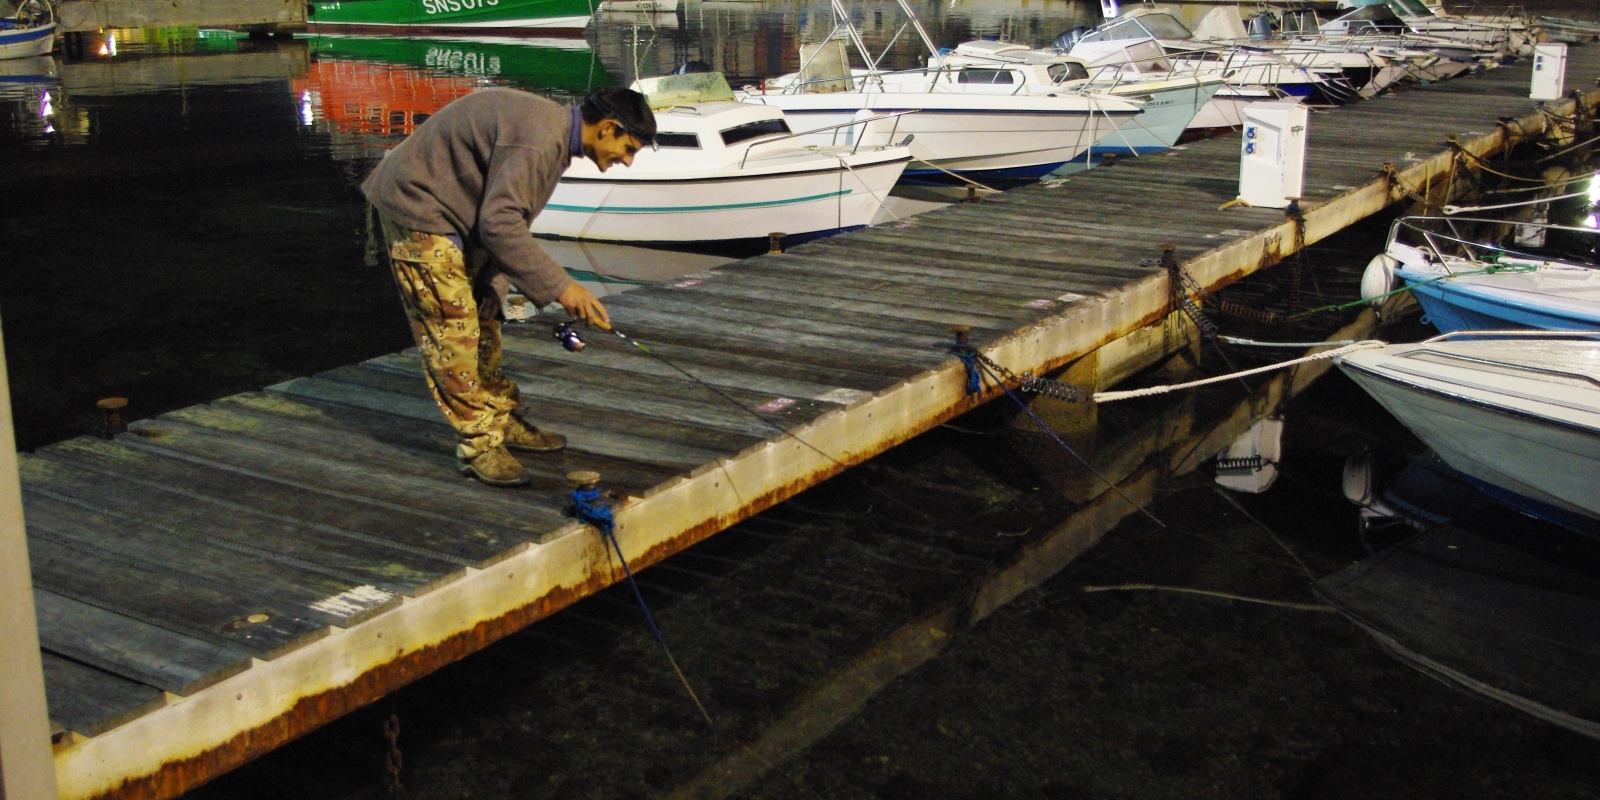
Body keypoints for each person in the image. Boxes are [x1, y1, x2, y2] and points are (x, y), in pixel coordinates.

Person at [363, 87, 656, 487]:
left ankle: (499, 418)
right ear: (607, 128)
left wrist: (494, 288)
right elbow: (499, 225)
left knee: (484, 319)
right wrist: (564, 288)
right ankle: (478, 446)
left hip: (459, 215)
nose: (626, 160)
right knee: (453, 331)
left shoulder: (552, 139)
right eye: (629, 148)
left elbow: (505, 221)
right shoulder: (541, 141)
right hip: (418, 207)